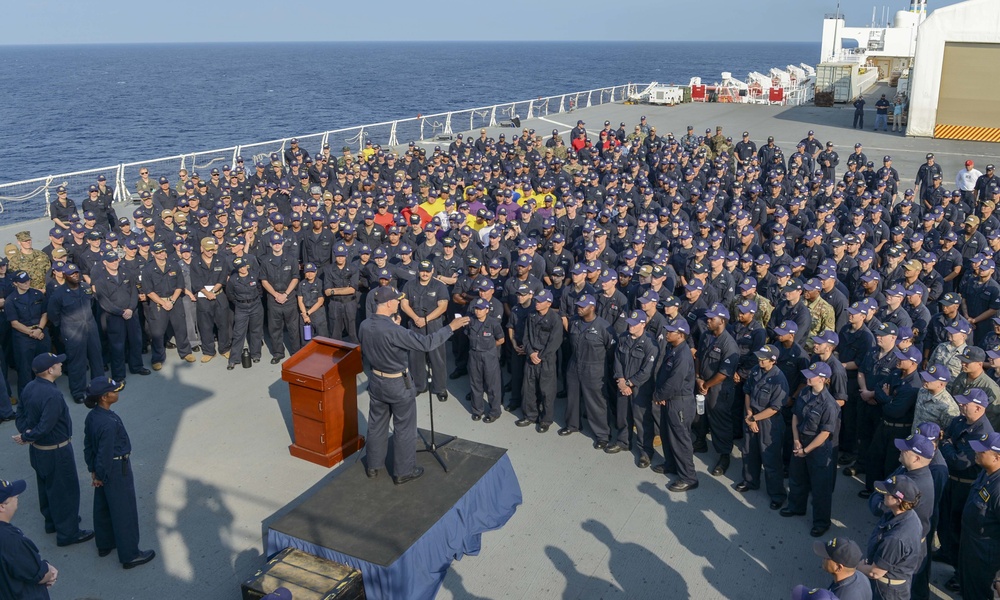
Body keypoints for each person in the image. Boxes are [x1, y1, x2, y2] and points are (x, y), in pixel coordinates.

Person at [357, 286, 469, 484]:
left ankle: (374, 466)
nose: (399, 303)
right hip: (397, 383)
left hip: (376, 380)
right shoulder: (395, 330)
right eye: (397, 300)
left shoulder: (365, 325)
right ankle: (404, 470)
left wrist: (396, 327)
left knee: (376, 424)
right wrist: (451, 327)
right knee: (404, 428)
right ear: (390, 303)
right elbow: (426, 343)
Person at [12, 353, 94, 547]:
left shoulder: (30, 387)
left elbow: (20, 414)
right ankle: (68, 533)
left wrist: (26, 432)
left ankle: (52, 522)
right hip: (56, 451)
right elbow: (46, 425)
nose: (60, 365)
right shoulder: (53, 395)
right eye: (58, 364)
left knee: (46, 486)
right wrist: (27, 436)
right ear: (50, 370)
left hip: (38, 451)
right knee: (65, 491)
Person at [82, 376, 156, 569]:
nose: (117, 393)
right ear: (104, 397)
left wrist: (94, 471)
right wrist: (101, 474)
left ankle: (105, 544)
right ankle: (130, 554)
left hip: (103, 468)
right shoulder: (108, 422)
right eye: (114, 391)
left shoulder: (93, 416)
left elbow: (89, 446)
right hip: (115, 468)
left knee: (103, 505)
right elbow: (105, 452)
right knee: (125, 511)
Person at [782, 361, 838, 538]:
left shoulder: (829, 404)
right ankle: (796, 506)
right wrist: (797, 441)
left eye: (811, 376)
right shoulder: (805, 392)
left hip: (818, 448)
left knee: (820, 487)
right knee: (797, 477)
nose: (807, 378)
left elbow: (825, 433)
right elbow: (795, 417)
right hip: (801, 441)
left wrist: (806, 450)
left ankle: (821, 522)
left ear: (823, 379)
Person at [736, 344, 788, 510]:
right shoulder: (755, 371)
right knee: (749, 452)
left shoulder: (779, 379)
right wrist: (750, 415)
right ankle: (750, 481)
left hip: (769, 423)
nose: (760, 360)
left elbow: (775, 408)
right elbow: (747, 392)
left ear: (772, 361)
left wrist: (754, 419)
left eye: (763, 358)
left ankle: (777, 494)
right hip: (752, 416)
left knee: (770, 458)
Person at [560, 294, 616, 447]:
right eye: (578, 305)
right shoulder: (574, 322)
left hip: (595, 367)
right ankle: (573, 424)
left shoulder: (604, 327)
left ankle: (603, 434)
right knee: (572, 397)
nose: (579, 308)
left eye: (583, 306)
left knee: (596, 401)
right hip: (575, 363)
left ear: (592, 308)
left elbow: (611, 351)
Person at [859, 475, 924, 599]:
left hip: (887, 592)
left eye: (887, 493)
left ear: (898, 500)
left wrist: (856, 567)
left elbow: (875, 572)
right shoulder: (908, 516)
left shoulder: (896, 538)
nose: (883, 494)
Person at [45, 263, 104, 403]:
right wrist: (64, 327)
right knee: (77, 362)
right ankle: (78, 392)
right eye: (72, 274)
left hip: (90, 325)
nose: (76, 275)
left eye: (77, 272)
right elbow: (53, 314)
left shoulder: (85, 287)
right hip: (73, 330)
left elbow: (91, 304)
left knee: (96, 357)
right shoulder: (58, 294)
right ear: (65, 276)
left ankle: (99, 387)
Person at [653, 318, 698, 492]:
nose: (667, 333)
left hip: (679, 402)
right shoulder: (674, 349)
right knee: (667, 434)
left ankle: (689, 477)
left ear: (680, 335)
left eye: (670, 331)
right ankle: (671, 464)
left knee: (680, 439)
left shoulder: (683, 355)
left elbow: (674, 382)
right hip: (670, 399)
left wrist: (659, 395)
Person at [694, 303, 740, 476]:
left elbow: (723, 373)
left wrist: (706, 385)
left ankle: (724, 455)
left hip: (719, 390)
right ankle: (700, 441)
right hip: (703, 384)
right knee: (700, 415)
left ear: (721, 321)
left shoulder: (729, 344)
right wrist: (698, 377)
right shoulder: (706, 335)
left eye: (712, 318)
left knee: (720, 421)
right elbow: (699, 356)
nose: (708, 321)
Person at [140, 241, 196, 370]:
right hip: (158, 304)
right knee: (158, 332)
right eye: (158, 252)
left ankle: (185, 352)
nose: (162, 254)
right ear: (153, 253)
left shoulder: (174, 265)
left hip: (174, 301)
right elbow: (149, 291)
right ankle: (157, 358)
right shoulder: (147, 270)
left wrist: (171, 301)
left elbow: (180, 285)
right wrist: (163, 302)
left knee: (181, 328)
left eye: (164, 251)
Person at [0, 478, 59, 598]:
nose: (17, 498)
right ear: (2, 506)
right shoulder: (10, 540)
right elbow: (37, 573)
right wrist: (50, 572)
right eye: (14, 496)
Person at [400, 261, 449, 402]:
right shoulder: (409, 285)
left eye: (428, 271)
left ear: (432, 271)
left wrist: (425, 319)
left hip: (434, 326)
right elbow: (404, 304)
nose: (425, 274)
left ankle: (440, 388)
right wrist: (416, 318)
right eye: (422, 271)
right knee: (415, 358)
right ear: (418, 271)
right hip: (415, 325)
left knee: (437, 358)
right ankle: (420, 386)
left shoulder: (439, 286)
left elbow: (443, 306)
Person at [959, 431, 1000, 599]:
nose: (976, 452)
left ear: (997, 458)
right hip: (971, 550)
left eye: (982, 451)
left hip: (986, 560)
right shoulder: (986, 472)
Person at [611, 310, 657, 458]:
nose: (630, 326)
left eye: (634, 324)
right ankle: (623, 441)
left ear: (643, 325)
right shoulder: (624, 338)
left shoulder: (650, 344)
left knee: (642, 419)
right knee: (623, 415)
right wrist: (620, 380)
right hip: (623, 383)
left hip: (640, 388)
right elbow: (617, 359)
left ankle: (645, 451)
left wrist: (629, 383)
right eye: (630, 323)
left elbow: (647, 370)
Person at [516, 290, 562, 433]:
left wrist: (539, 356)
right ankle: (530, 415)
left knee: (546, 391)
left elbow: (555, 342)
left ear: (548, 303)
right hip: (531, 357)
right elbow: (526, 336)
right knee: (528, 388)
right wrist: (530, 352)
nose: (537, 303)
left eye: (540, 301)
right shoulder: (531, 316)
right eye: (536, 300)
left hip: (546, 360)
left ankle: (546, 420)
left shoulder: (555, 319)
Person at [6, 271, 50, 397]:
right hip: (23, 337)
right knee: (25, 370)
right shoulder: (11, 300)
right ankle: (27, 398)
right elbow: (14, 323)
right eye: (23, 282)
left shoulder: (37, 294)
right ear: (15, 283)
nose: (26, 283)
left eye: (28, 280)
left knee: (46, 366)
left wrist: (40, 329)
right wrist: (32, 332)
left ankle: (46, 393)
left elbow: (45, 313)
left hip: (40, 333)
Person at [260, 232, 301, 364]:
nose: (277, 245)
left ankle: (295, 352)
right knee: (275, 328)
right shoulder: (266, 261)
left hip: (289, 297)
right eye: (274, 243)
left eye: (279, 243)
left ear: (283, 243)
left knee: (293, 327)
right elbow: (264, 280)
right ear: (271, 244)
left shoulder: (291, 259)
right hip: (274, 299)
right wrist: (276, 295)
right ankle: (278, 353)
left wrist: (285, 294)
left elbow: (295, 277)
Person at [466, 297, 504, 422]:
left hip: (489, 356)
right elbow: (467, 334)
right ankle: (477, 410)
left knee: (492, 385)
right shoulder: (471, 322)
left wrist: (490, 347)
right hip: (474, 355)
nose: (478, 311)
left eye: (481, 309)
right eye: (476, 309)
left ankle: (494, 411)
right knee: (475, 383)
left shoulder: (493, 323)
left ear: (487, 310)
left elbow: (501, 339)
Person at [226, 257, 263, 370]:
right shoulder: (233, 280)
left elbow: (260, 289)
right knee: (238, 333)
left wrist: (255, 299)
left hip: (255, 306)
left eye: (243, 266)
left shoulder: (254, 275)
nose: (243, 269)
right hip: (241, 308)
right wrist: (239, 303)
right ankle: (234, 359)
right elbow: (230, 294)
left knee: (255, 331)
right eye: (240, 268)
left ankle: (256, 354)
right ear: (236, 269)